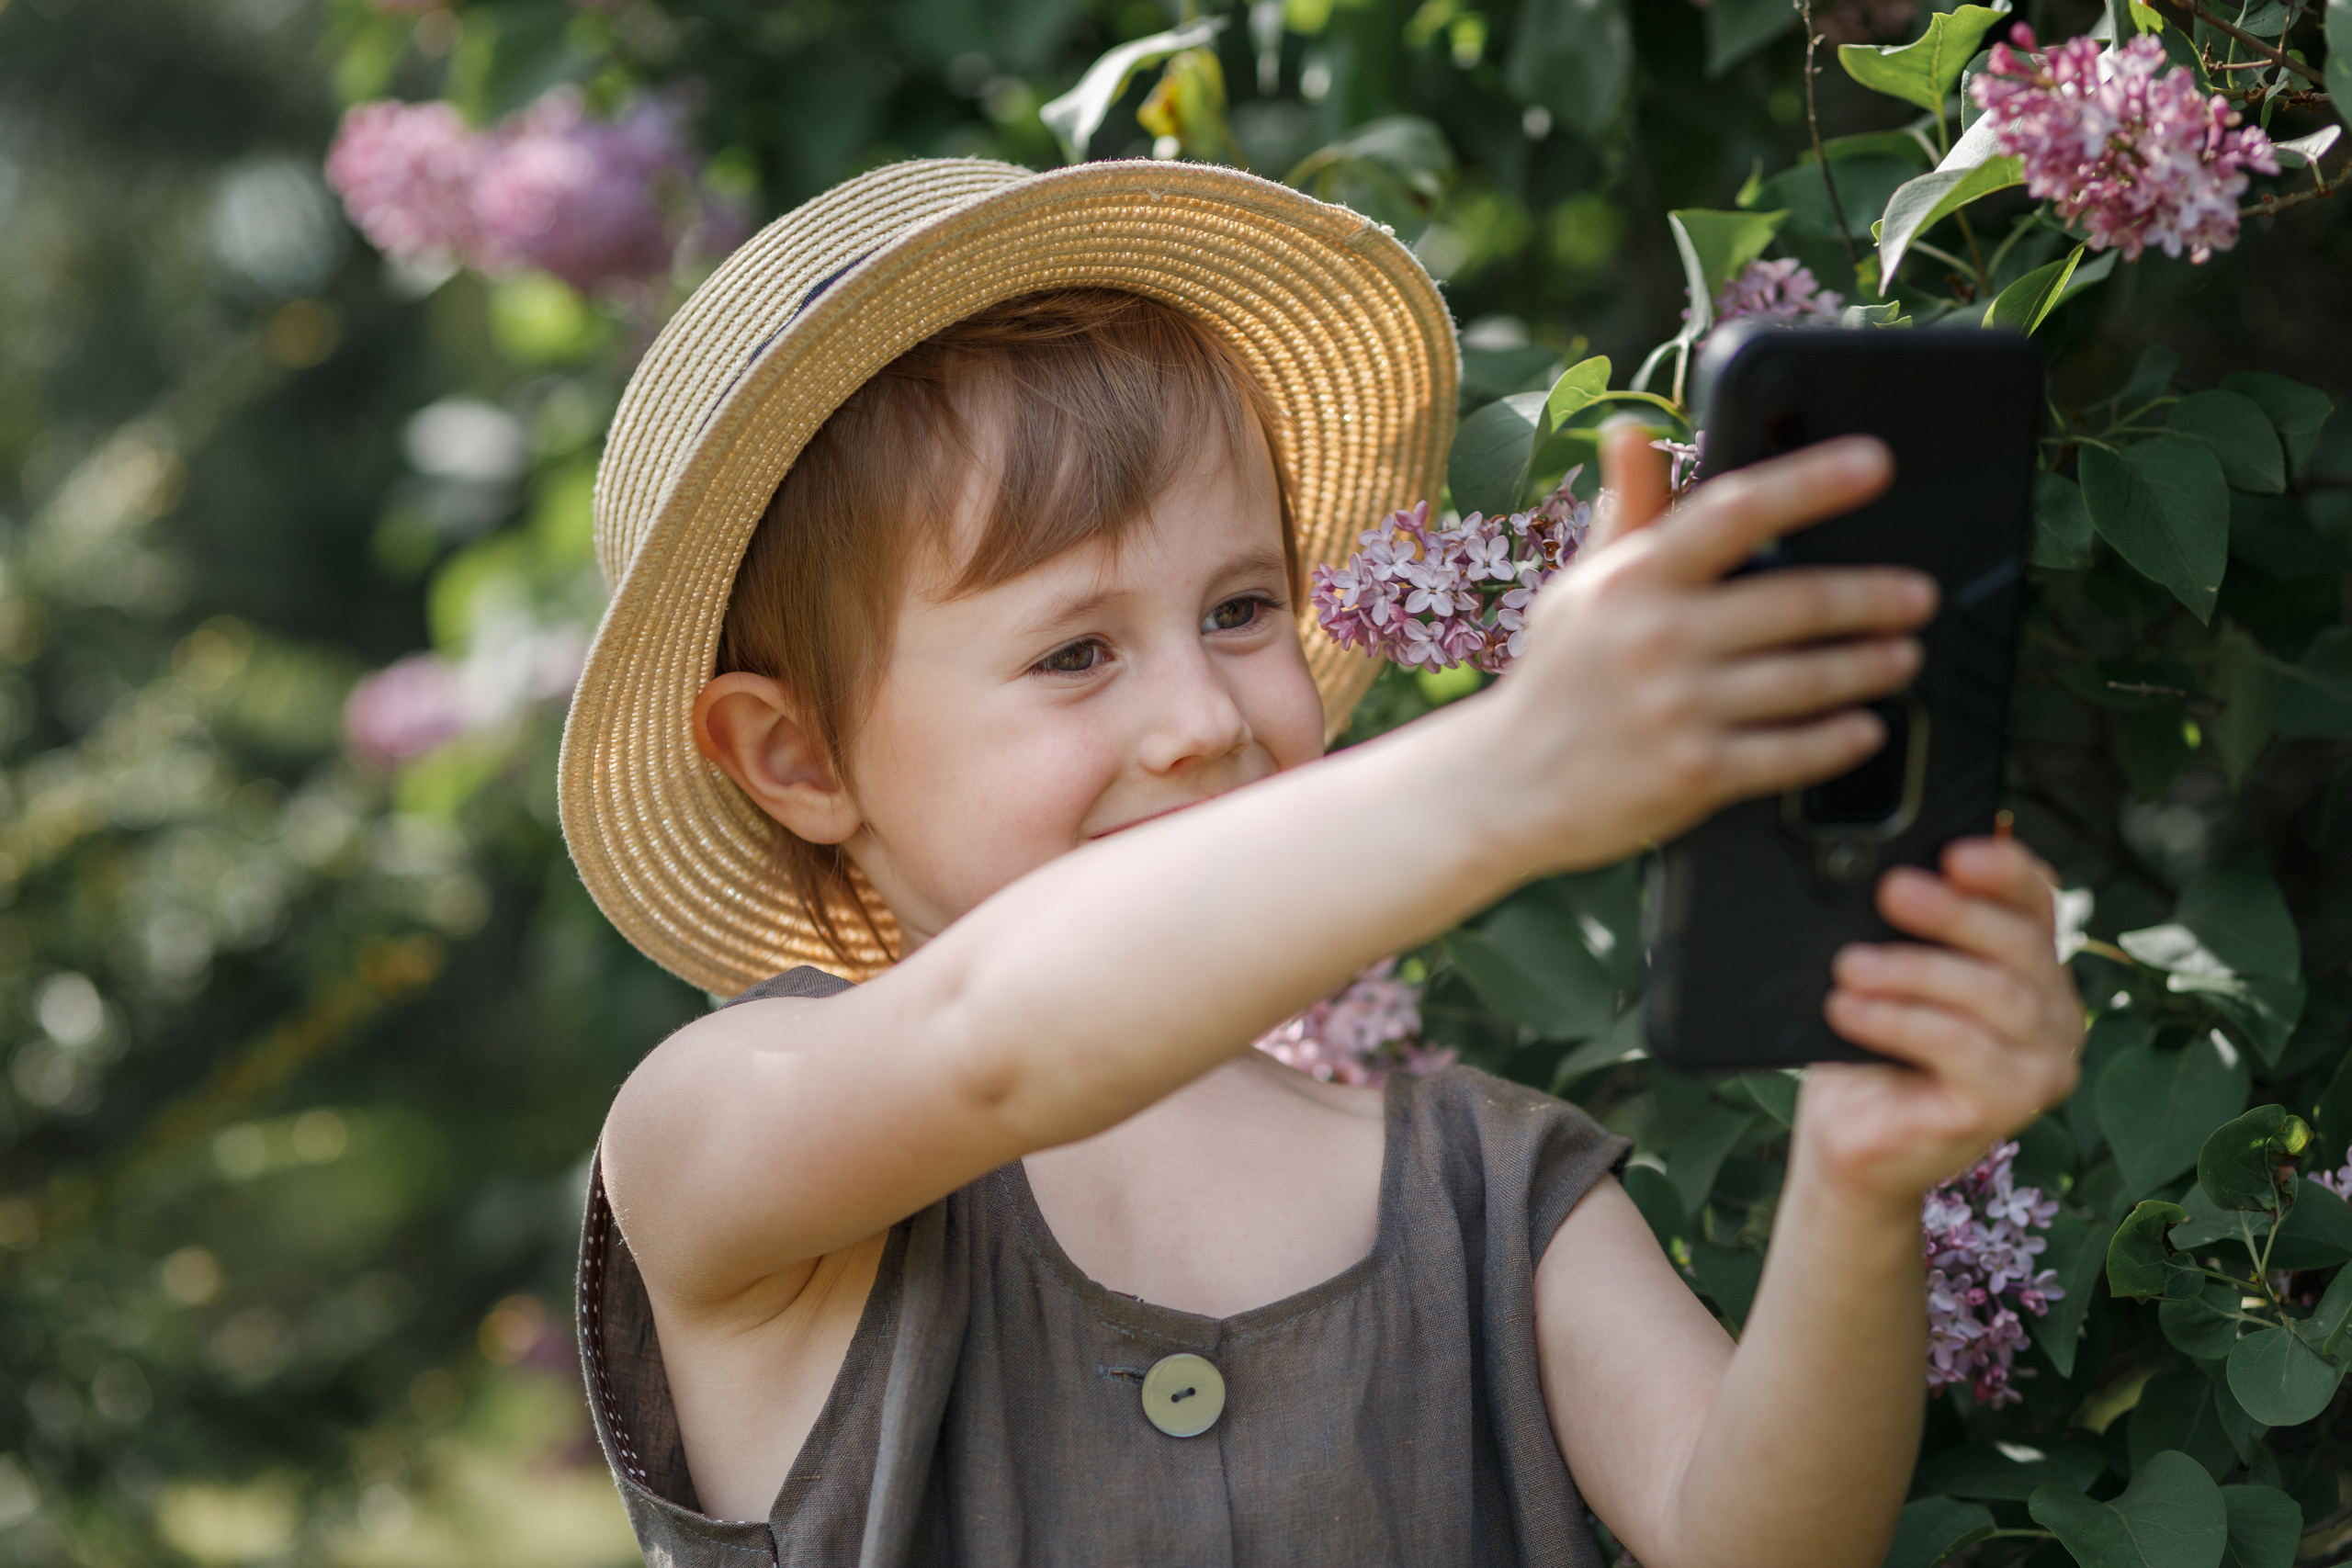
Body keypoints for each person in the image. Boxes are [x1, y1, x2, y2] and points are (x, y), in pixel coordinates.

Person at [561, 158, 2083, 1567]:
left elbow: (1760, 1541)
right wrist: (1513, 769)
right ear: (796, 758)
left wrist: (1859, 1179)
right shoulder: (722, 1133)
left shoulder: (1488, 1183)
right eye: (1076, 651)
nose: (1202, 718)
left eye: (1240, 608)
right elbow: (993, 1045)